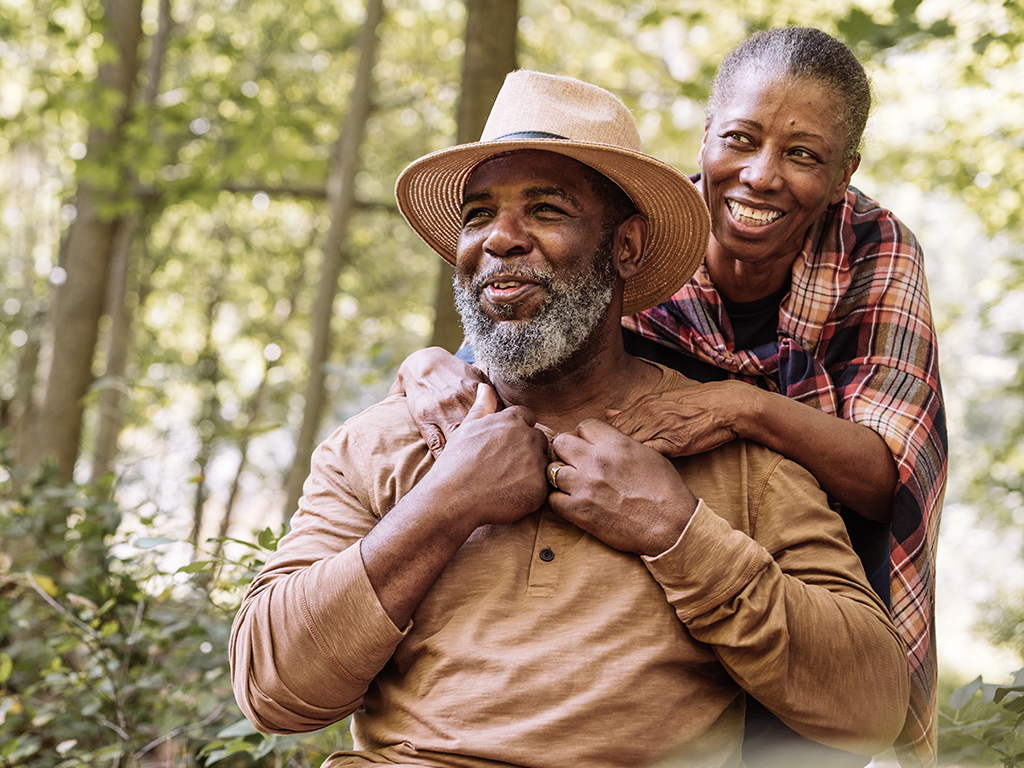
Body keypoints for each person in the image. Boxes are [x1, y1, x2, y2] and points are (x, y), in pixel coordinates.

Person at [230, 70, 910, 768]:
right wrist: (445, 502)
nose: (501, 239)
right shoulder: (388, 439)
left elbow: (871, 707)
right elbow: (273, 690)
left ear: (627, 246)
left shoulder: (735, 455)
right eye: (477, 214)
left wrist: (679, 534)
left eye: (547, 209)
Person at [393, 28, 946, 768]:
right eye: (740, 140)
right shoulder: (633, 244)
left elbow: (891, 477)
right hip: (645, 527)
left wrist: (740, 405)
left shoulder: (877, 252)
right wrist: (426, 365)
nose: (761, 175)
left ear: (845, 173)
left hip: (811, 527)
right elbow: (506, 357)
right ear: (706, 137)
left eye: (803, 154)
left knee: (808, 729)